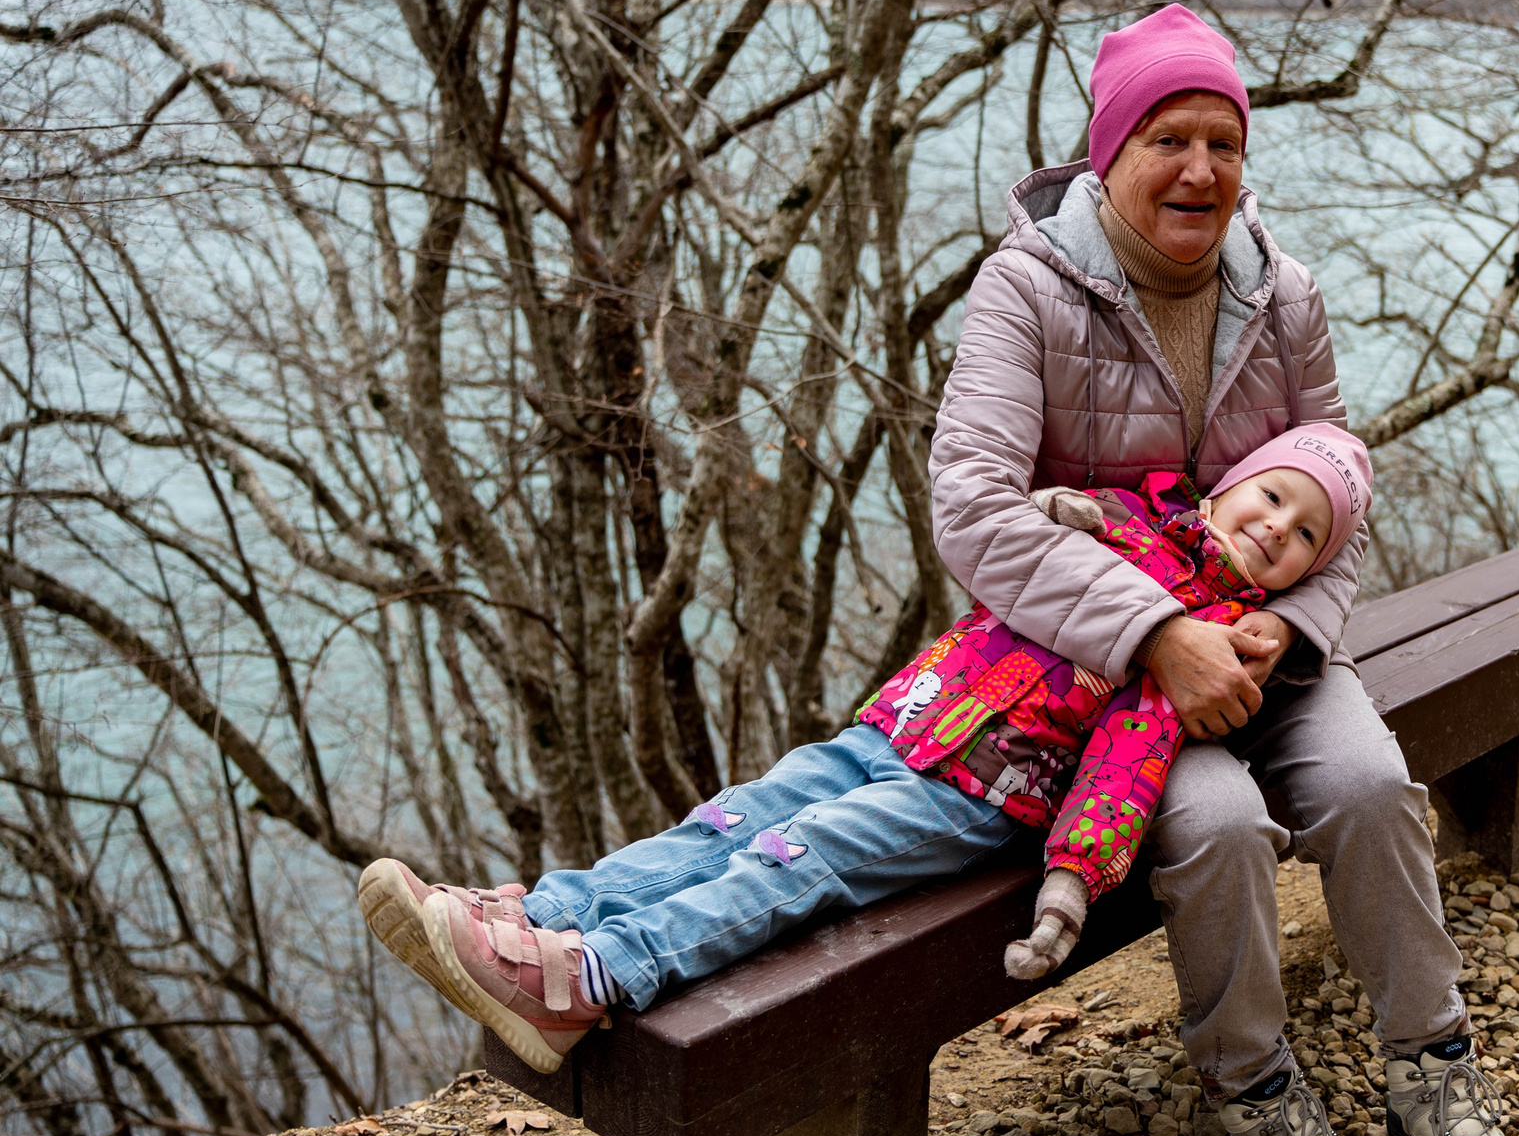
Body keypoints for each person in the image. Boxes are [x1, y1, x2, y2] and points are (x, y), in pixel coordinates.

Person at [928, 2, 1519, 1136]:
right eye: (1168, 136)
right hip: (1103, 674)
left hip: (1268, 647)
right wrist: (1160, 634)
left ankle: (1433, 1069)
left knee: (1370, 785)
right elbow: (976, 513)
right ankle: (1255, 1090)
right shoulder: (1024, 294)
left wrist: (1296, 629)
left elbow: (1339, 490)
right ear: (1110, 152)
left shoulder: (1284, 297)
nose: (1199, 168)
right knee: (1215, 823)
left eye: (1223, 140)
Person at [350, 425, 1359, 1053]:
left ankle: (594, 976)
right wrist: (1065, 511)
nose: (1277, 527)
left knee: (797, 858)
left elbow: (1125, 763)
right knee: (734, 816)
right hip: (901, 723)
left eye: (1307, 533)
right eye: (1273, 496)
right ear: (1226, 487)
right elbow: (1034, 533)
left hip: (975, 791)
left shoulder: (1214, 651)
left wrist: (1072, 882)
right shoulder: (1124, 525)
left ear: (1303, 574)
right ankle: (546, 911)